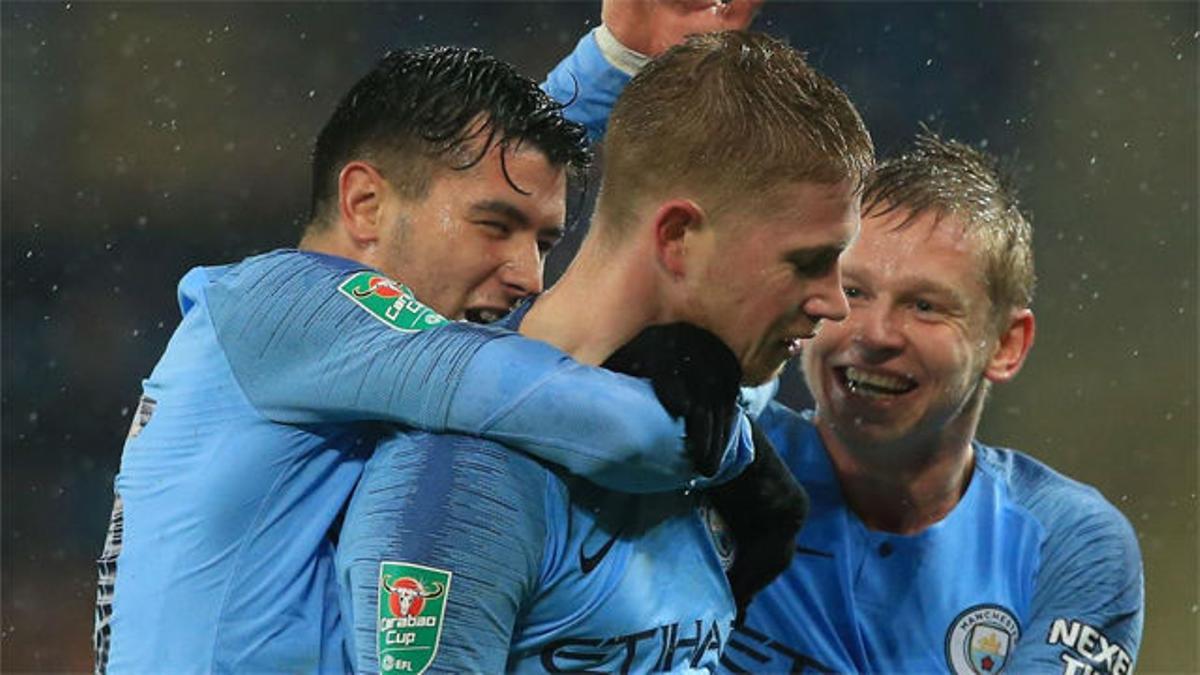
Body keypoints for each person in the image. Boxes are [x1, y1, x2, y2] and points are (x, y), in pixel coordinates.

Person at [95, 39, 760, 674]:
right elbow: (610, 427)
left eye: (544, 241)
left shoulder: (321, 342)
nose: (530, 275)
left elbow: (484, 171)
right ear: (365, 204)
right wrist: (735, 443)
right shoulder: (285, 307)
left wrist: (616, 56)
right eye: (496, 228)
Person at [336, 28, 875, 673]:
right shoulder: (463, 481)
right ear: (677, 238)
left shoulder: (698, 424)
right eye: (809, 262)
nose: (834, 303)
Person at [721, 131, 1145, 674]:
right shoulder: (714, 462)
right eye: (853, 291)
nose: (874, 334)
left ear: (1006, 345)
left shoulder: (1068, 543)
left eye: (924, 306)